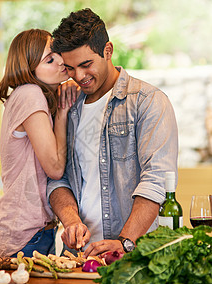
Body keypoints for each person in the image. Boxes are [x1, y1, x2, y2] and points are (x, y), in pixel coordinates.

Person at [47, 8, 178, 258]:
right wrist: (71, 220)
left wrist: (125, 241)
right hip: (78, 257)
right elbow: (57, 178)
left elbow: (156, 180)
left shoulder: (148, 102)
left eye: (86, 65)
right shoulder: (67, 107)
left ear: (108, 50)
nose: (79, 76)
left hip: (134, 255)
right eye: (71, 68)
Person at [0, 29, 78, 257]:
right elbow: (55, 168)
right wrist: (63, 112)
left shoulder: (27, 95)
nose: (61, 62)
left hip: (37, 232)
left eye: (57, 54)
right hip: (23, 237)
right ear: (29, 69)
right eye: (49, 60)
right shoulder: (30, 94)